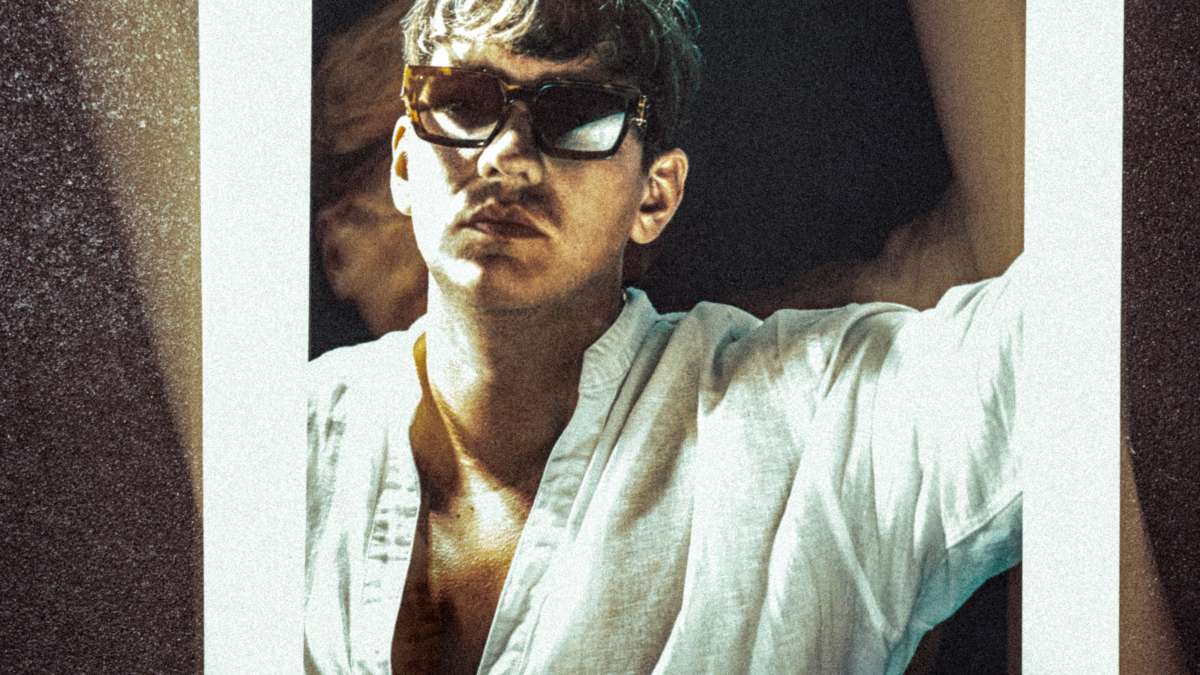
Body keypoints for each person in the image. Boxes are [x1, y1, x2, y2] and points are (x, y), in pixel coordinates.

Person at [305, 1, 1025, 672]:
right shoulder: (296, 440)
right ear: (405, 164)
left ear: (656, 196)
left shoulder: (813, 427)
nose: (506, 156)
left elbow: (1040, 342)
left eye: (578, 115)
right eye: (465, 103)